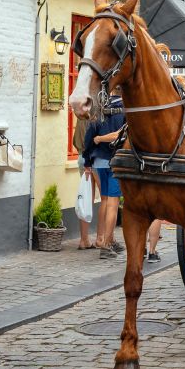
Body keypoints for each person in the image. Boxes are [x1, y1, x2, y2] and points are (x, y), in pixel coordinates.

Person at [82, 93, 127, 259]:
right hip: (116, 161)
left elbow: (89, 137)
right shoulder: (126, 109)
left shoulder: (99, 109)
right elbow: (122, 134)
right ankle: (106, 246)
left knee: (105, 200)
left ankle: (105, 238)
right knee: (113, 204)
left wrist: (87, 159)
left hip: (99, 161)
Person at [71, 117, 96, 250]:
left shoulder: (80, 115)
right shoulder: (94, 116)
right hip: (92, 158)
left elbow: (75, 140)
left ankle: (84, 239)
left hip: (81, 156)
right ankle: (101, 238)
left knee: (86, 197)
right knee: (106, 197)